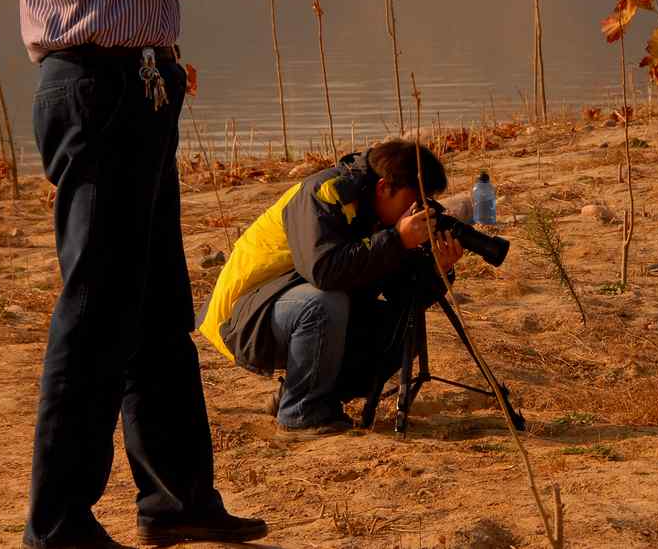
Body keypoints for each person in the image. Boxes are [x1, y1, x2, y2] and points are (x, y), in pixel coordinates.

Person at [19, 0, 266, 547]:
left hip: (136, 88)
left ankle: (176, 497)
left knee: (156, 310)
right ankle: (58, 524)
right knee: (95, 314)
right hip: (100, 95)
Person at [196, 140, 464, 437]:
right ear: (384, 188)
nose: (416, 213)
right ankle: (300, 414)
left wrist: (439, 269)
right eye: (413, 202)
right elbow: (324, 272)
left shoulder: (379, 216)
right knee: (324, 302)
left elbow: (403, 296)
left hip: (289, 305)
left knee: (404, 325)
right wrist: (397, 241)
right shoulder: (325, 193)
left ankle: (302, 394)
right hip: (244, 315)